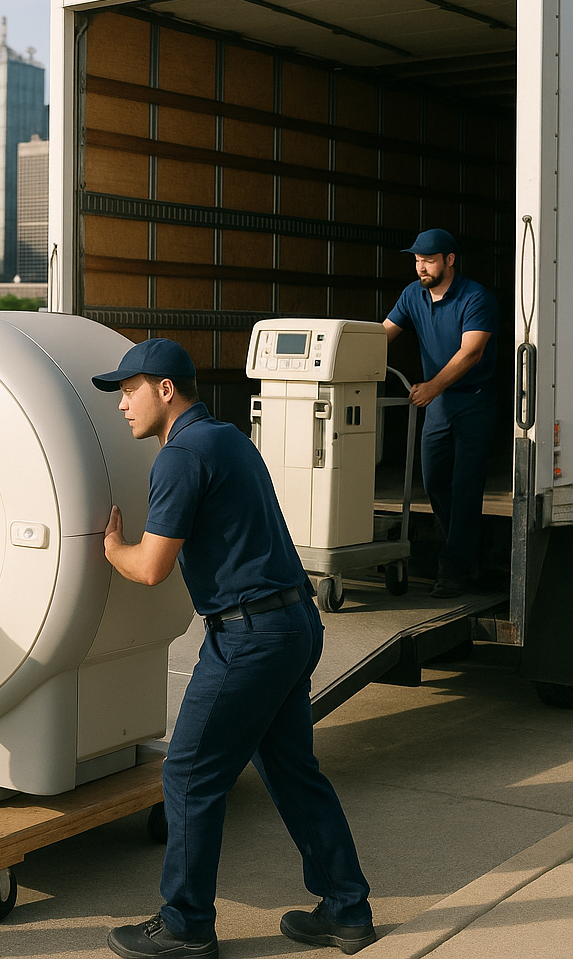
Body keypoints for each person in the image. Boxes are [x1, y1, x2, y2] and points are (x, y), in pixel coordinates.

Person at [94, 338, 375, 959]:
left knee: (190, 774)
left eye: (128, 390)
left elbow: (150, 568)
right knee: (294, 773)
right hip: (294, 623)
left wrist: (112, 546)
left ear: (165, 389)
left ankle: (186, 925)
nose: (121, 405)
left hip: (249, 638)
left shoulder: (179, 457)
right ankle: (346, 911)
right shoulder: (226, 439)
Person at [383, 229, 498, 597]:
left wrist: (432, 387)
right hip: (439, 405)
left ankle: (454, 570)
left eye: (429, 260)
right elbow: (382, 334)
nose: (421, 267)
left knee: (465, 486)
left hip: (473, 401)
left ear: (450, 260)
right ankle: (468, 554)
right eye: (417, 260)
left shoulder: (476, 297)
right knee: (434, 482)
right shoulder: (412, 295)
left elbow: (471, 353)